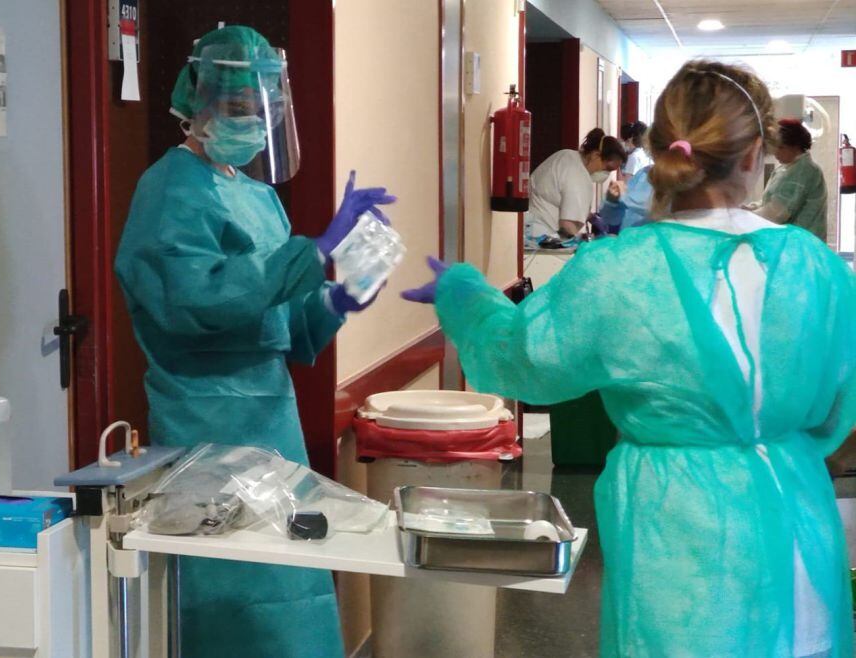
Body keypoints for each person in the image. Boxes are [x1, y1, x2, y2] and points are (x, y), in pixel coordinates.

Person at [403, 60, 854, 657]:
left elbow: (519, 359)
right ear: (755, 156)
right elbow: (835, 418)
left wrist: (462, 294)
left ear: (667, 154)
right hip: (799, 531)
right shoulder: (815, 267)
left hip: (678, 541)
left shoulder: (619, 272)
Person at [114, 26, 394, 658]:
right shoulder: (168, 190)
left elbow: (282, 323)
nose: (255, 122)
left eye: (264, 106)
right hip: (204, 424)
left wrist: (339, 296)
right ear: (199, 104)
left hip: (274, 422)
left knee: (291, 586)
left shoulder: (260, 195)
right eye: (240, 108)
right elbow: (194, 303)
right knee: (230, 596)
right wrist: (315, 248)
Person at [527, 129, 627, 240]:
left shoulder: (565, 155)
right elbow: (568, 228)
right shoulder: (579, 175)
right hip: (543, 237)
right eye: (607, 168)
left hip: (528, 229)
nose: (606, 174)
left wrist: (590, 216)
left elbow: (559, 197)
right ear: (595, 155)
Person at [749, 119, 829, 241]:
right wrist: (750, 208)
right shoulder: (788, 168)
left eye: (781, 148)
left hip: (802, 245)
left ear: (796, 146)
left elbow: (776, 213)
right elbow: (772, 200)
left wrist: (743, 218)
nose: (775, 153)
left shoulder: (803, 171)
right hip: (795, 244)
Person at [597, 166, 653, 234]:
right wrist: (612, 201)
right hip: (627, 239)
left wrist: (625, 197)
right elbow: (612, 219)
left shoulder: (668, 175)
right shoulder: (644, 172)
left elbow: (661, 209)